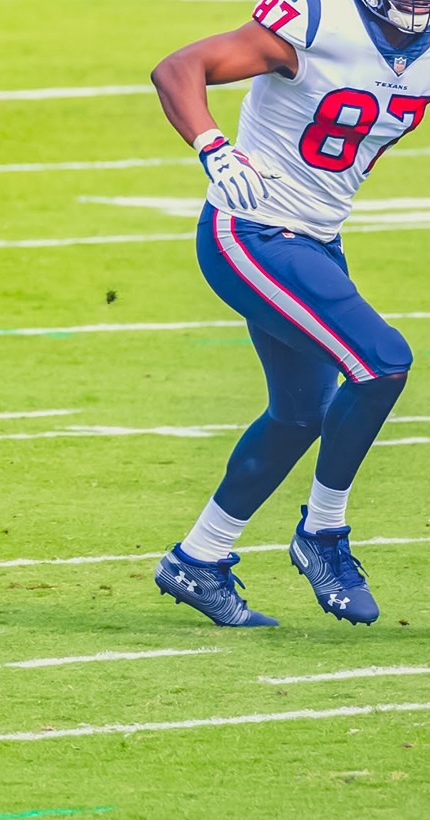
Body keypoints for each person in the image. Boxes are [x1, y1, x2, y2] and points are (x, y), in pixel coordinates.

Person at [149, 0, 422, 627]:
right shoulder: (318, 22)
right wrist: (214, 148)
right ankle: (322, 534)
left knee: (299, 414)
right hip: (252, 233)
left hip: (317, 242)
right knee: (381, 364)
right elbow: (178, 68)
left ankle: (199, 558)